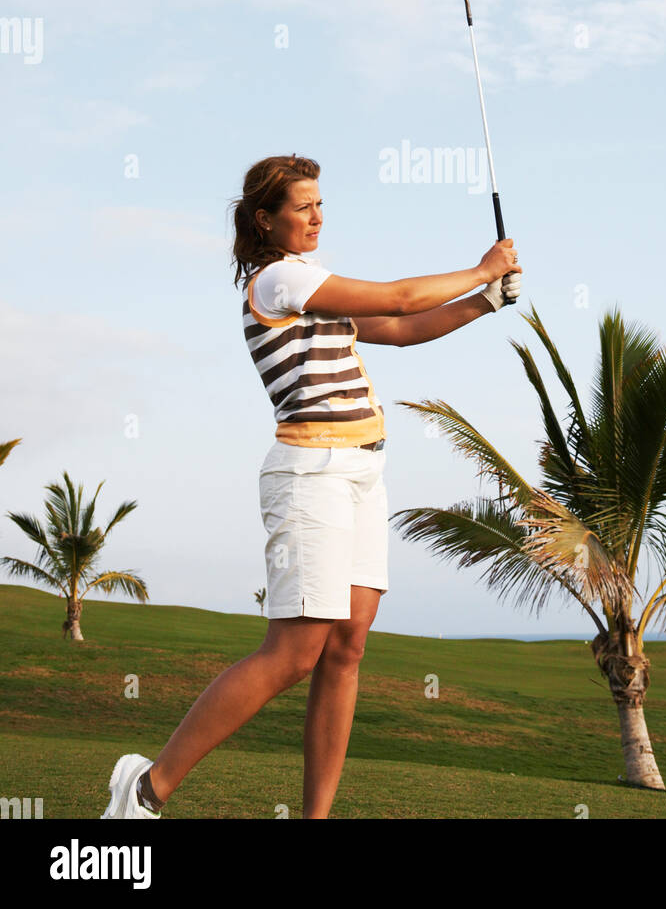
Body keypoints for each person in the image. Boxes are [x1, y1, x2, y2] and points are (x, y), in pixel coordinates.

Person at [101, 152, 522, 820]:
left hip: (362, 471)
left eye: (321, 204)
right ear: (266, 221)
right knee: (295, 651)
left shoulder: (315, 293)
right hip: (310, 475)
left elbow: (402, 328)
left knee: (348, 644)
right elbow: (398, 296)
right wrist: (482, 267)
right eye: (304, 207)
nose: (317, 216)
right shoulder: (279, 282)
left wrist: (485, 301)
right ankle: (148, 790)